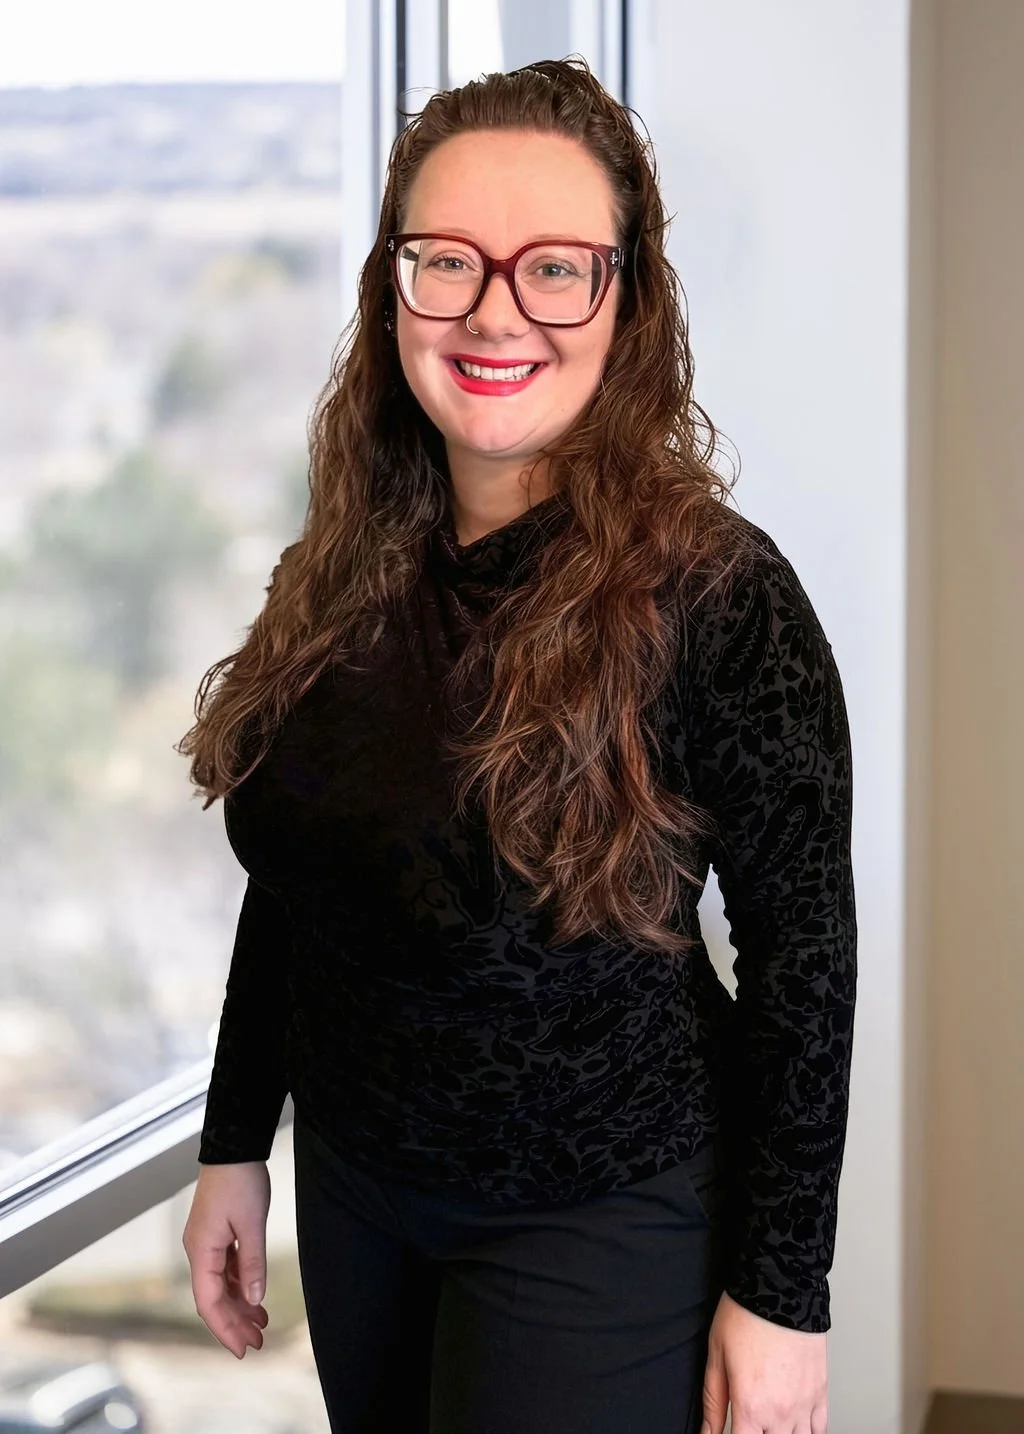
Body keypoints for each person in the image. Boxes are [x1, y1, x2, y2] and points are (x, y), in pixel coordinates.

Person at [179, 57, 855, 1434]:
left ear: (629, 297)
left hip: (598, 1212)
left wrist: (784, 1296)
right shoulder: (350, 557)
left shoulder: (720, 598)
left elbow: (806, 965)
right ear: (392, 288)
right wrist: (237, 1139)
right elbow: (307, 872)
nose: (496, 311)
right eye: (448, 261)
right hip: (362, 1191)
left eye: (555, 268)